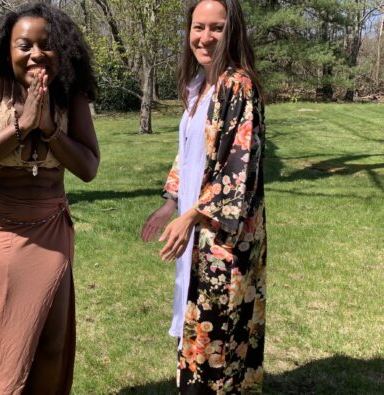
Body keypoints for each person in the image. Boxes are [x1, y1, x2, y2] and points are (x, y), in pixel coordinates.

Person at [0, 3, 99, 394]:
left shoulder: (71, 94)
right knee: (2, 348)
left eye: (46, 45)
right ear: (8, 51)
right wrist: (20, 127)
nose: (36, 53)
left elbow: (88, 167)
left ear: (62, 50)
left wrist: (49, 129)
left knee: (51, 345)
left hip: (50, 229)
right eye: (25, 45)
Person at [142, 0, 267, 393]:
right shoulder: (198, 87)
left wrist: (190, 216)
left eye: (216, 27)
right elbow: (190, 152)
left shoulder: (238, 87)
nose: (205, 37)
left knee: (219, 345)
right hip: (199, 230)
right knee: (195, 335)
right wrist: (170, 201)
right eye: (198, 27)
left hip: (224, 242)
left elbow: (237, 171)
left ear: (233, 30)